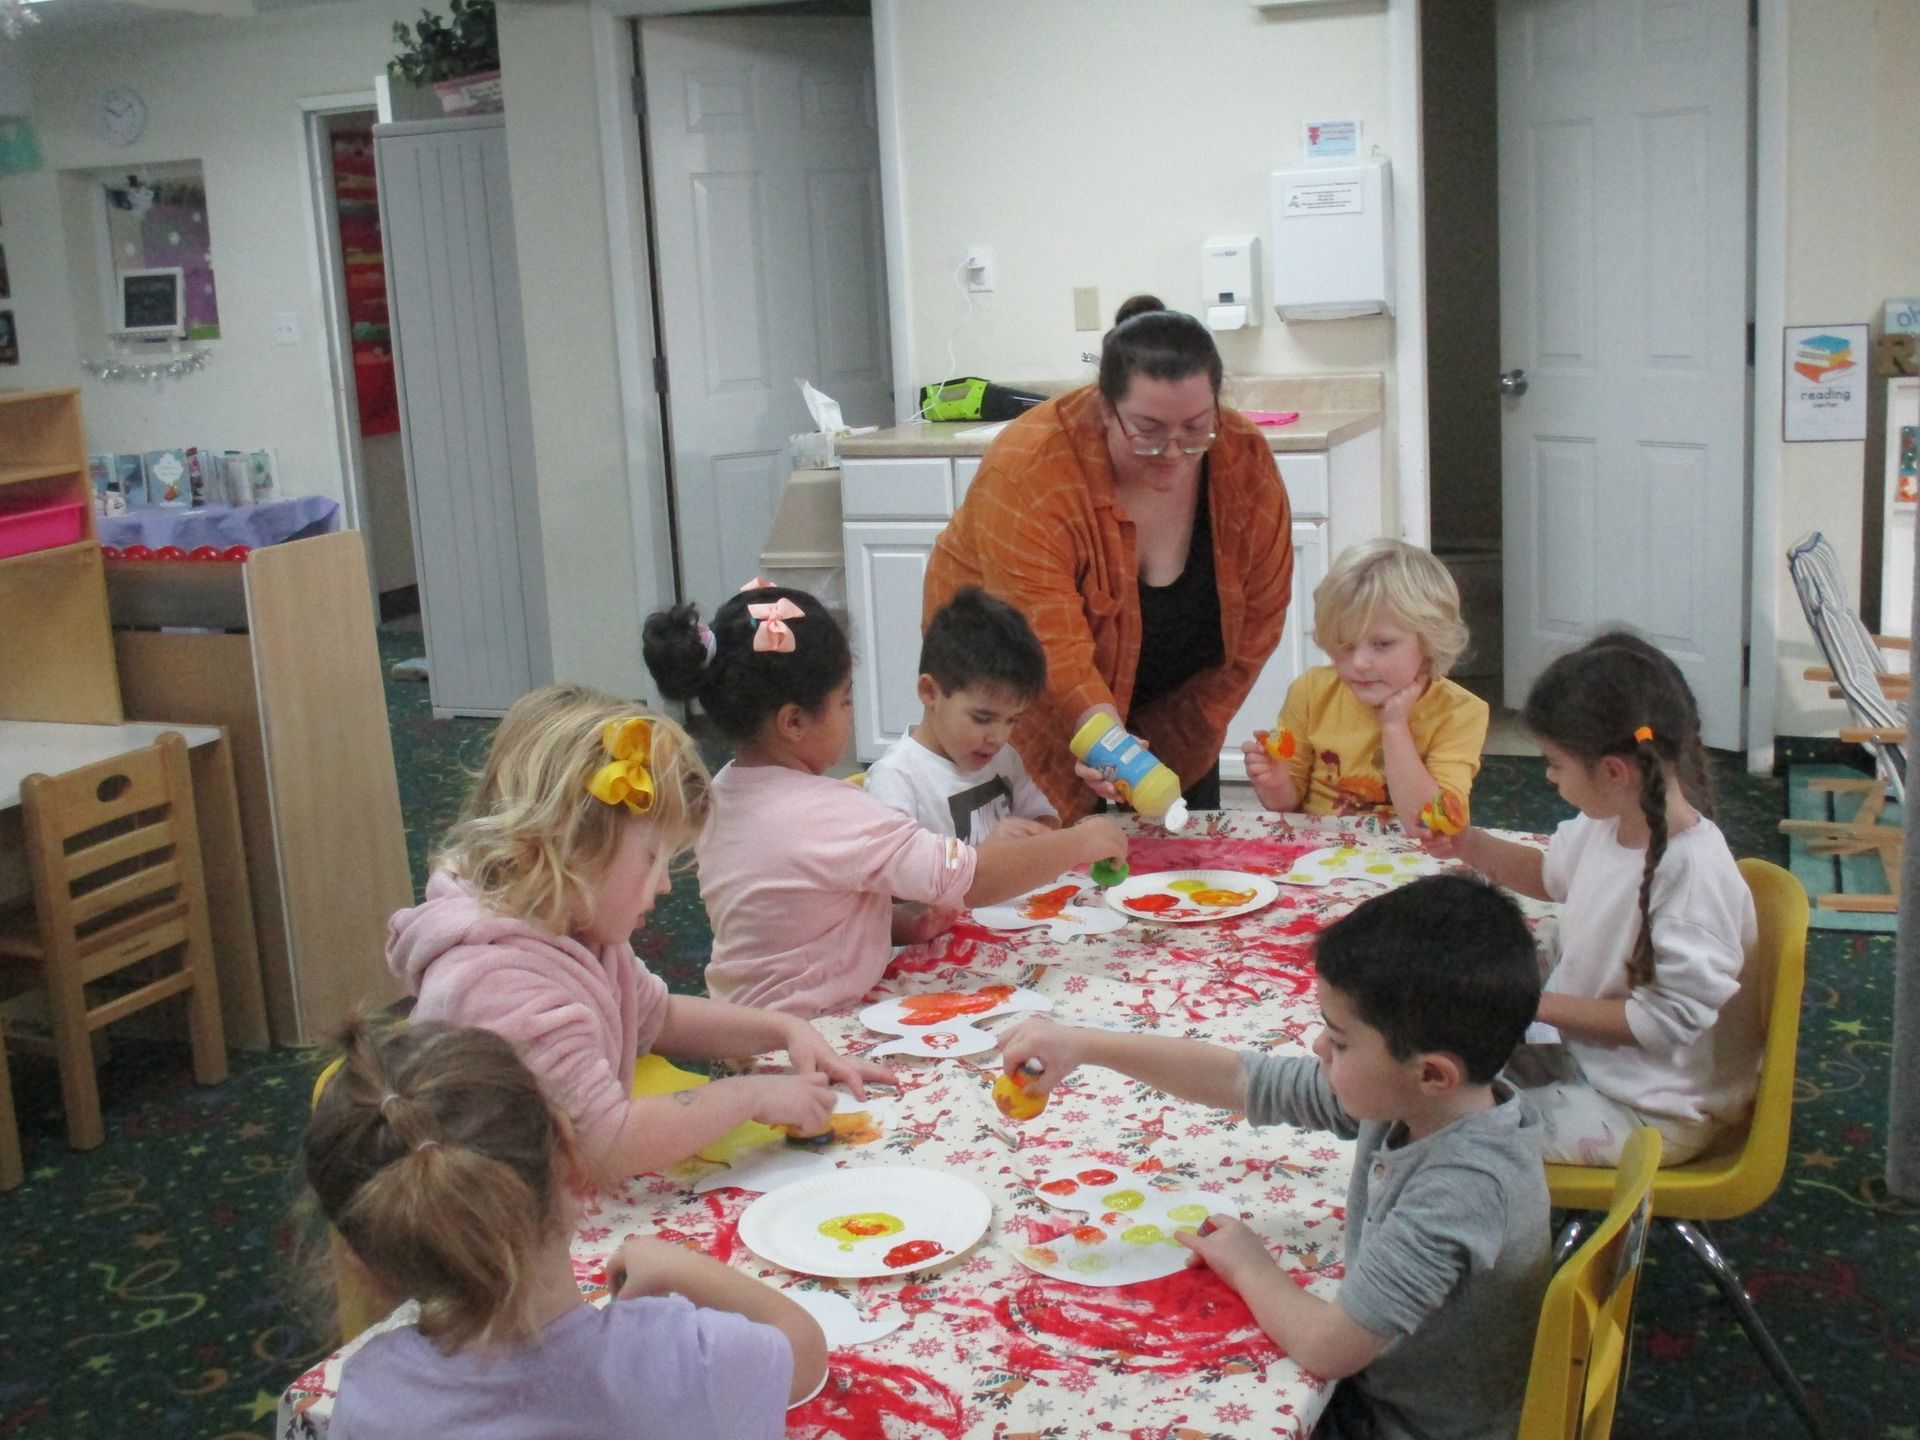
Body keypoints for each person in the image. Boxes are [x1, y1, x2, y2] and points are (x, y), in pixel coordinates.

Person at [999, 875, 1548, 1440]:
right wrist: (1085, 1045)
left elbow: (1326, 1348)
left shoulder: (1462, 1187)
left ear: (1431, 1072)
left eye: (1340, 1041)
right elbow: (1242, 1079)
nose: (1318, 1048)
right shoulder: (1429, 1100)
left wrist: (1247, 1263)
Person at [387, 684, 892, 1189]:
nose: (667, 885)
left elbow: (657, 1014)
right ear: (569, 848)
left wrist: (784, 1030)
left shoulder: (571, 925)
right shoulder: (496, 980)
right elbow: (606, 1144)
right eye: (652, 857)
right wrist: (751, 1096)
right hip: (490, 1239)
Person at [304, 1019, 825, 1440]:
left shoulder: (370, 1395)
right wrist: (684, 1268)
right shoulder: (686, 1356)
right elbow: (802, 1350)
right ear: (573, 1158)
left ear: (362, 1262)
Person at [643, 583, 1127, 1016]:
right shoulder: (833, 813)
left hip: (738, 1027)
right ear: (793, 723)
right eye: (846, 700)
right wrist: (1082, 841)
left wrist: (895, 925)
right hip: (807, 1036)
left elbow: (790, 913)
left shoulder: (721, 791)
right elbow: (973, 880)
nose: (853, 713)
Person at [923, 295, 1294, 821]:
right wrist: (1108, 744)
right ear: (1104, 408)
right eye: (1147, 430)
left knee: (1183, 880)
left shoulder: (1244, 461)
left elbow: (1258, 624)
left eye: (1195, 428)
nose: (1173, 453)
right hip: (1031, 709)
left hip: (1176, 704)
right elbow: (1051, 645)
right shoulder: (1030, 468)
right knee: (1046, 884)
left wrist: (1168, 753)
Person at [1426, 632, 1760, 1165]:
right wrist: (1471, 843)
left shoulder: (1694, 876)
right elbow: (1552, 875)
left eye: (1555, 762)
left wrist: (1524, 1001)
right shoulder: (1610, 822)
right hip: (1590, 1065)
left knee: (1441, 1128)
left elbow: (1661, 1022)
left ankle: (1492, 1237)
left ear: (1613, 771)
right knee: (1430, 1066)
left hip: (1651, 1112)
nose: (1548, 775)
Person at [1245, 539, 1488, 823]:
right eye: (1345, 645)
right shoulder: (1311, 691)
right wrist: (1274, 782)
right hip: (1321, 857)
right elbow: (1286, 805)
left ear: (1430, 642)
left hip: (1415, 859)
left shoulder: (1461, 712)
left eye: (1382, 644)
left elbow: (1432, 823)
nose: (1359, 663)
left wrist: (1394, 726)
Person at [863, 586, 1059, 843]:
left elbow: (1043, 815)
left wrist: (1041, 832)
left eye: (1012, 720)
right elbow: (893, 875)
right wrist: (987, 860)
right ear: (930, 692)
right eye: (982, 718)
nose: (998, 737)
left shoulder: (1004, 758)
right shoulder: (897, 779)